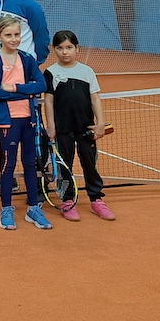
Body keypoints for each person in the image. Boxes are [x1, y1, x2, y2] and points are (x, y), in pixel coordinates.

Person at [0, 16, 52, 231]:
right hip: (7, 122)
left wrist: (15, 88)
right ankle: (6, 209)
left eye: (16, 34)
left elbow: (41, 85)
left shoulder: (27, 58)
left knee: (31, 163)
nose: (13, 39)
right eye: (8, 35)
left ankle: (33, 208)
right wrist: (27, 91)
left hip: (29, 120)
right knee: (8, 165)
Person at [43, 30, 115, 221]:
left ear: (77, 48)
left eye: (69, 47)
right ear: (54, 49)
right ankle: (68, 200)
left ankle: (96, 199)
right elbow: (48, 101)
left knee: (90, 164)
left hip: (86, 129)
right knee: (65, 166)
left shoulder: (87, 71)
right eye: (60, 48)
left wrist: (100, 123)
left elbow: (95, 98)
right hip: (62, 129)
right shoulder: (50, 73)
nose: (64, 52)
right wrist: (51, 126)